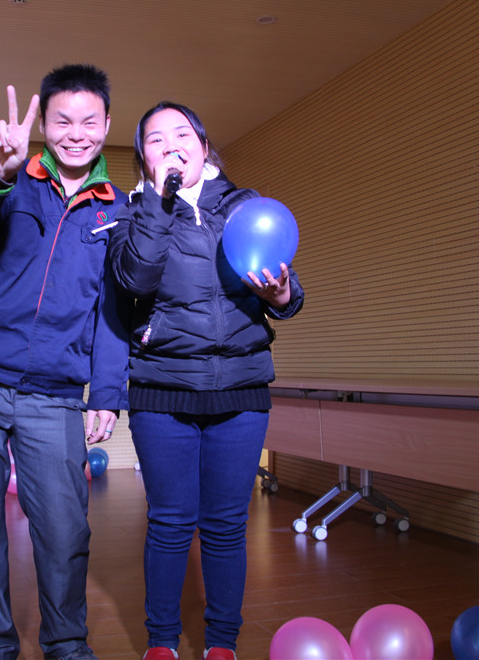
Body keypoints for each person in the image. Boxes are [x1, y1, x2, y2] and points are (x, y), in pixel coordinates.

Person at [0, 64, 128, 660]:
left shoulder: (118, 211)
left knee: (66, 531)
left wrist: (107, 393)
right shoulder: (14, 178)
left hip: (55, 394)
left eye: (88, 122)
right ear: (44, 124)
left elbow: (114, 311)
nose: (76, 134)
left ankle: (67, 644)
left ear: (107, 125)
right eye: (62, 121)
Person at [107, 102, 305, 660]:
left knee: (225, 526)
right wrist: (159, 200)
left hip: (241, 389)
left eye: (182, 134)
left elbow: (288, 290)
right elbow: (134, 277)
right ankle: (161, 643)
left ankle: (222, 643)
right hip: (162, 389)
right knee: (169, 524)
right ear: (143, 157)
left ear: (202, 144)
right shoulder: (130, 215)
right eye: (155, 139)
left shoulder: (243, 206)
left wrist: (282, 295)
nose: (171, 145)